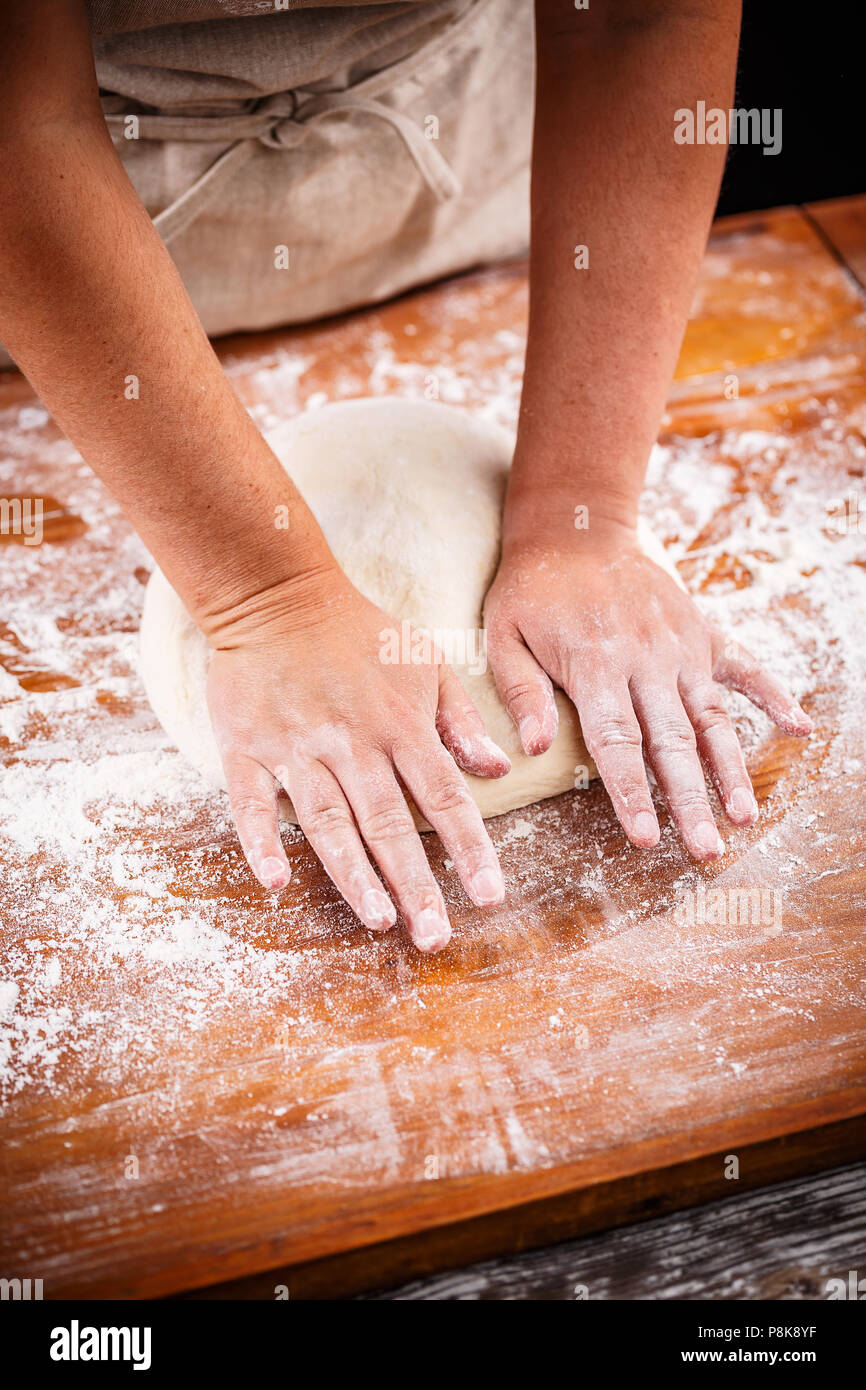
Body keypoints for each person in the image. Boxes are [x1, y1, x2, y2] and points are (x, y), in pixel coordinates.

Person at [0, 0, 811, 952]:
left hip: (446, 165)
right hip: (71, 236)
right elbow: (20, 120)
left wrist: (579, 516)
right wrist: (267, 601)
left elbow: (638, 18)